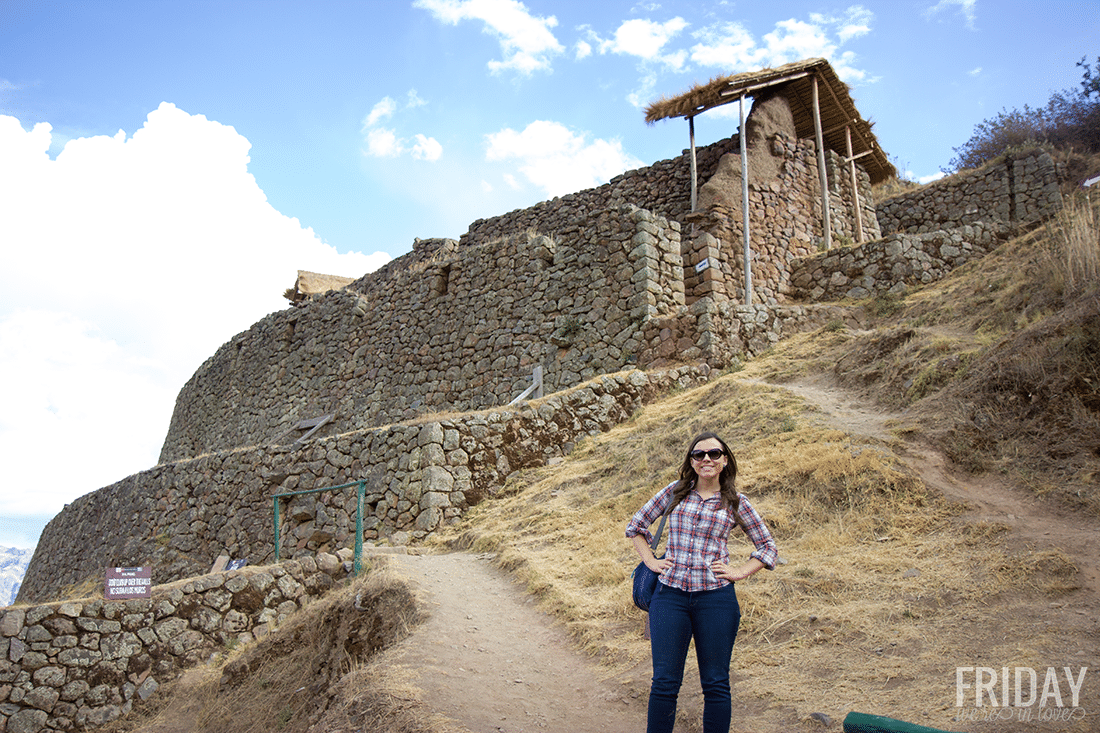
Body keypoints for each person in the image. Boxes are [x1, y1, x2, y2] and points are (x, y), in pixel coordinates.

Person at [626, 432, 778, 733]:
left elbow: (767, 547)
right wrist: (651, 561)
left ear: (724, 460)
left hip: (716, 599)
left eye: (713, 454)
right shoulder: (674, 492)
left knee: (716, 684)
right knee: (665, 683)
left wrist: (739, 571)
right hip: (670, 596)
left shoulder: (736, 502)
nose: (706, 459)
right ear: (691, 461)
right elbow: (636, 526)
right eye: (699, 455)